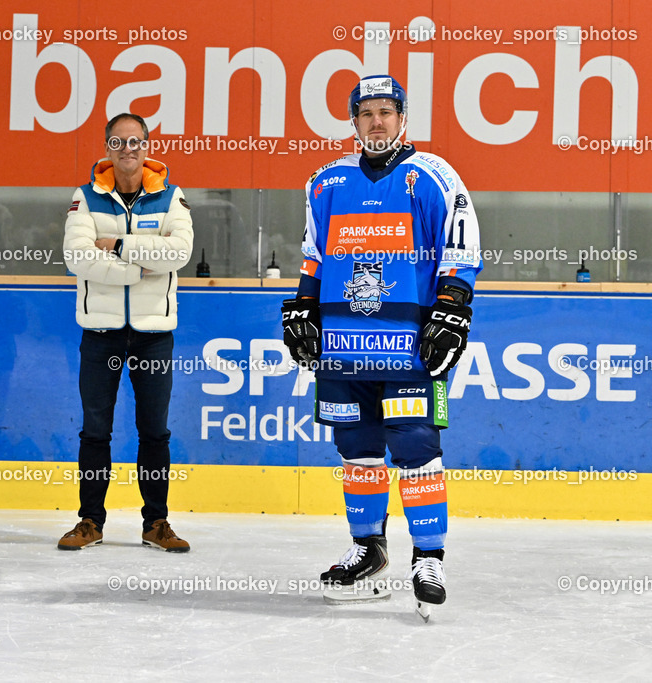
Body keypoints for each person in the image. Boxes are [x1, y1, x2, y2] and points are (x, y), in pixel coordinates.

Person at [281, 75, 482, 620]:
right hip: (344, 343)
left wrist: (453, 306)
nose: (377, 121)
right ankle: (369, 549)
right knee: (357, 447)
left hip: (409, 344)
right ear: (353, 121)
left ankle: (428, 557)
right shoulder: (324, 182)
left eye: (386, 111)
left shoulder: (434, 177)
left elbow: (459, 249)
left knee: (415, 442)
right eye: (366, 112)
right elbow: (314, 254)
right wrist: (301, 304)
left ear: (403, 118)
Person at [60, 113, 194, 552]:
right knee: (95, 431)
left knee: (154, 431)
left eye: (135, 141)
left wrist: (118, 246)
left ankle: (156, 522)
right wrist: (139, 271)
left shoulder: (173, 197)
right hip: (101, 334)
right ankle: (89, 521)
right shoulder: (85, 198)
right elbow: (77, 257)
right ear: (107, 148)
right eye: (118, 143)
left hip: (155, 334)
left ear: (147, 145)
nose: (127, 150)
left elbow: (179, 252)